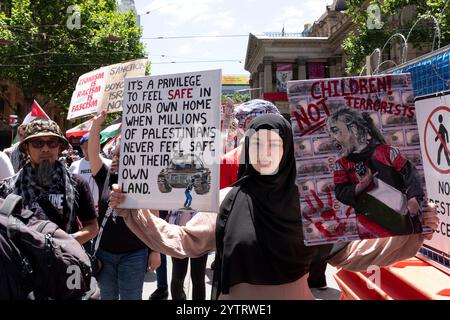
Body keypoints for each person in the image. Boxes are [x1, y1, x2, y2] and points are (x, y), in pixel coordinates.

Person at [110, 114, 439, 299]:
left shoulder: (312, 205)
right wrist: (133, 209)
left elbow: (353, 256)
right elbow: (184, 241)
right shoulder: (227, 199)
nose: (263, 152)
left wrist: (413, 232)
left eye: (273, 144)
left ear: (288, 152)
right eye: (255, 144)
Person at [88, 110, 160, 300]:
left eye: (123, 157)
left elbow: (154, 217)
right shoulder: (104, 176)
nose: (117, 160)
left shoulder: (143, 181)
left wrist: (155, 251)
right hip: (104, 253)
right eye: (115, 156)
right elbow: (93, 152)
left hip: (134, 253)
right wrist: (97, 124)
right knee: (108, 296)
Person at [327, 108, 425, 237]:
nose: (332, 138)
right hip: (368, 231)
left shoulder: (387, 152)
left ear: (354, 130)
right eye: (330, 133)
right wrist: (361, 186)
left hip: (402, 226)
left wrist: (413, 199)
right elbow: (340, 193)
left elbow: (410, 173)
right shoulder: (341, 165)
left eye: (336, 131)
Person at [0, 119, 98, 243]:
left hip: (63, 258)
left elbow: (92, 227)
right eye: (37, 143)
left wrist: (65, 242)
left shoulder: (77, 183)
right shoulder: (8, 188)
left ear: (59, 148)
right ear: (27, 148)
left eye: (52, 143)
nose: (45, 149)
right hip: (21, 259)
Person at [220, 99, 281, 189]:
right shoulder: (227, 161)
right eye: (252, 123)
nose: (259, 128)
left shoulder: (284, 157)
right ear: (243, 126)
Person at [70, 133, 111, 212]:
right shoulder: (75, 165)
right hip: (83, 211)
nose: (94, 143)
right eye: (91, 142)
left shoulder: (109, 164)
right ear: (82, 146)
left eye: (96, 141)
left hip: (104, 209)